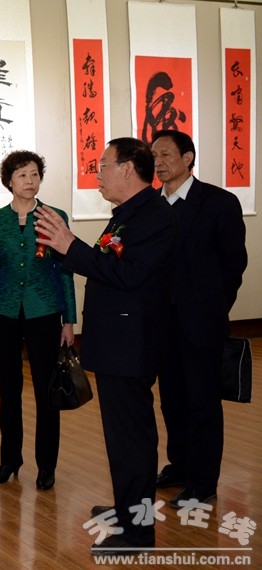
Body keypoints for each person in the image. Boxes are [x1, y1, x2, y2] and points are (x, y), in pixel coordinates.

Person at [35, 137, 176, 553]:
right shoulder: (129, 215)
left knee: (131, 438)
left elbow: (129, 275)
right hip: (118, 342)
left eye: (102, 166)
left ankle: (138, 533)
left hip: (131, 345)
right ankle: (128, 508)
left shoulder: (154, 217)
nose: (96, 175)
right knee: (121, 437)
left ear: (128, 169)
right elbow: (108, 266)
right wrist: (63, 249)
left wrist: (70, 246)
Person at [150, 130, 247, 508]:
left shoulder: (219, 202)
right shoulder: (151, 205)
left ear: (188, 157)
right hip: (161, 322)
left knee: (202, 402)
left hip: (201, 323)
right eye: (154, 156)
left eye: (165, 154)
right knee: (172, 399)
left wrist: (213, 309)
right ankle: (180, 465)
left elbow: (233, 265)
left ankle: (203, 482)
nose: (158, 162)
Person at [0, 150, 77, 491]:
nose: (29, 181)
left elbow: (65, 270)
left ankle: (46, 466)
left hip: (44, 311)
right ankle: (9, 460)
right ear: (9, 181)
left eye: (34, 174)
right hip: (4, 311)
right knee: (8, 389)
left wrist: (69, 319)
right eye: (22, 175)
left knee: (47, 391)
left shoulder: (54, 216)